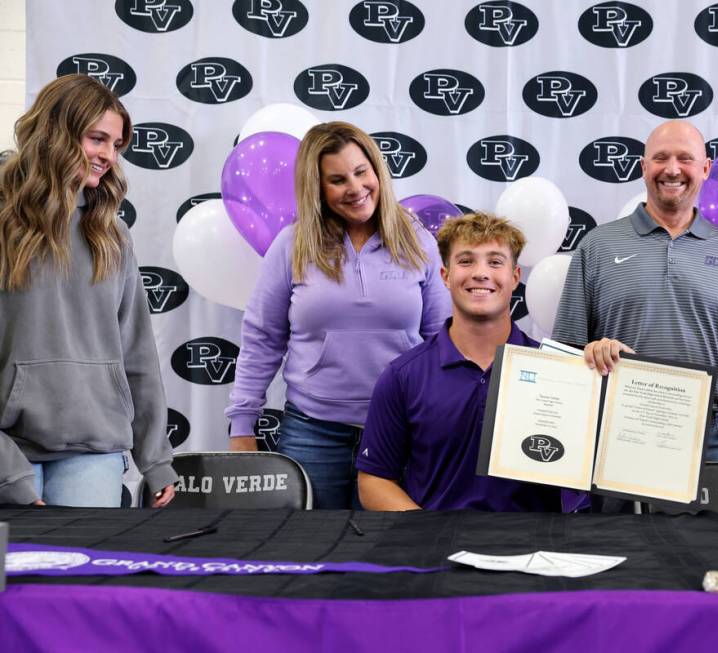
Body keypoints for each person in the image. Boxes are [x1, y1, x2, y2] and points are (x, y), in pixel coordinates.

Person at [226, 121, 451, 509]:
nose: (355, 188)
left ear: (377, 170)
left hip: (401, 433)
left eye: (362, 172)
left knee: (391, 556)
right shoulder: (291, 246)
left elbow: (440, 341)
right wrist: (242, 426)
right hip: (312, 433)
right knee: (309, 555)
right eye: (337, 179)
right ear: (317, 188)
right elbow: (262, 339)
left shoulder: (417, 241)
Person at [552, 120, 718, 462]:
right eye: (660, 158)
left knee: (713, 520)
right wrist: (593, 352)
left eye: (685, 159)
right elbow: (565, 356)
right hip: (618, 432)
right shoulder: (597, 246)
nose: (672, 169)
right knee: (619, 520)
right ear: (644, 168)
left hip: (711, 440)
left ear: (705, 169)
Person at [0, 74, 176, 507]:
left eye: (116, 145)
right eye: (97, 139)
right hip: (8, 448)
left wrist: (155, 460)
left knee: (79, 572)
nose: (108, 156)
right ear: (57, 132)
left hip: (92, 447)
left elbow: (137, 352)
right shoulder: (5, 223)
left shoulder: (110, 234)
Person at [356, 212, 562, 511]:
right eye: (466, 261)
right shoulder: (403, 376)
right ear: (445, 276)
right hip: (436, 552)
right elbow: (374, 481)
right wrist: (431, 535)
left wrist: (615, 370)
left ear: (515, 277)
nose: (481, 273)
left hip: (533, 550)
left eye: (495, 262)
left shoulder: (557, 373)